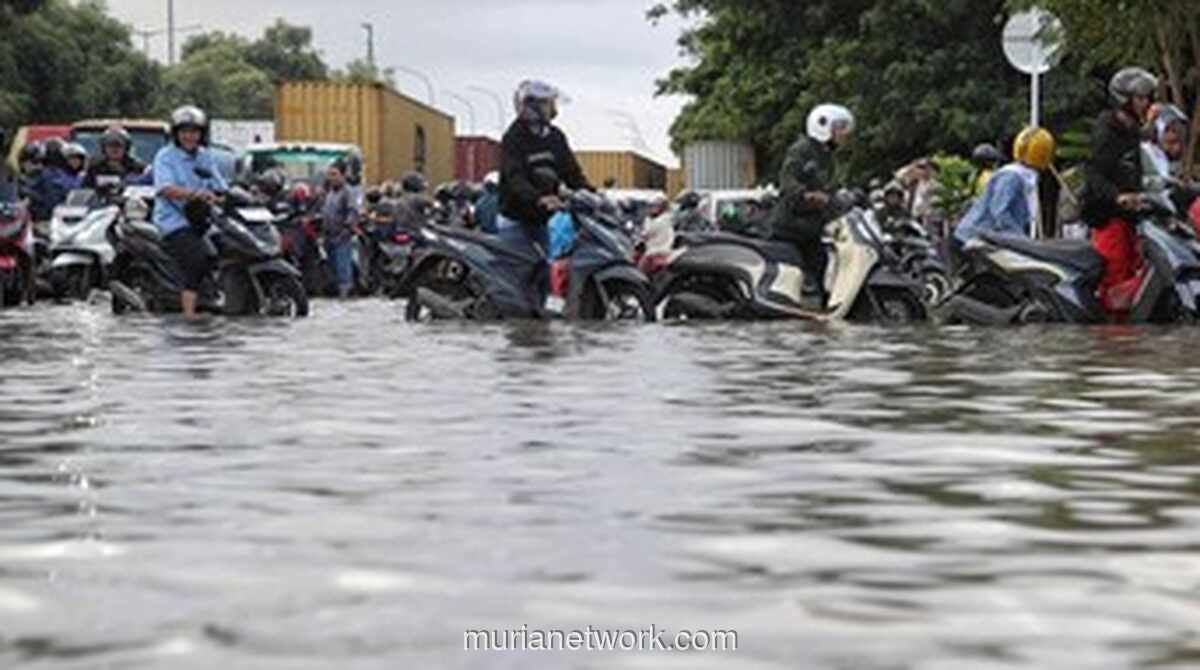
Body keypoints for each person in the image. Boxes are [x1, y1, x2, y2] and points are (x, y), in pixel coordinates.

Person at [498, 79, 591, 303]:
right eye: (548, 104)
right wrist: (540, 198)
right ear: (533, 106)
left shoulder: (555, 137)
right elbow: (515, 179)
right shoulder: (514, 137)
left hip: (541, 221)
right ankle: (512, 322)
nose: (554, 109)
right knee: (521, 279)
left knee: (542, 279)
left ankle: (536, 330)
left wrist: (593, 196)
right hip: (516, 218)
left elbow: (572, 173)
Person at [1083, 67, 1157, 318]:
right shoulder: (1107, 131)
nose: (1145, 103)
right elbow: (1094, 175)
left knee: (1130, 279)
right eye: (1139, 98)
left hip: (1129, 219)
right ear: (1123, 100)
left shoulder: (1131, 131)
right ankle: (1111, 344)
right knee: (1113, 282)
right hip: (1109, 219)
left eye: (1147, 97)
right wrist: (1117, 196)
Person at [769, 103, 855, 307]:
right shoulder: (801, 149)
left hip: (812, 229)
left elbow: (831, 187)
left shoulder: (827, 156)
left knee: (823, 267)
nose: (844, 133)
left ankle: (822, 311)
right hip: (790, 228)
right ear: (823, 125)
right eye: (840, 127)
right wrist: (809, 195)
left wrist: (845, 199)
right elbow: (788, 182)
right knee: (798, 273)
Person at [152, 105, 228, 318]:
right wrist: (195, 194)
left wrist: (232, 195)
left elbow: (220, 185)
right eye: (184, 131)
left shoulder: (205, 156)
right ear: (176, 133)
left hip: (204, 219)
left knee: (228, 246)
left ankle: (215, 293)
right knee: (198, 257)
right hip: (174, 220)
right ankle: (189, 314)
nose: (189, 136)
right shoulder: (165, 156)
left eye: (194, 131)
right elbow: (165, 188)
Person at [951, 127, 1056, 271]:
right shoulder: (1013, 176)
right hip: (974, 240)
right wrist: (1022, 241)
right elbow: (1000, 212)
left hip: (983, 240)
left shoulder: (1021, 175)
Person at [320, 160, 359, 299]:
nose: (331, 177)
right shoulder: (330, 193)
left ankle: (345, 295)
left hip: (342, 236)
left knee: (343, 269)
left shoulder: (347, 192)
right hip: (329, 237)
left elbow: (353, 212)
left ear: (343, 175)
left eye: (335, 174)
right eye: (329, 174)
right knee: (333, 269)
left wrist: (346, 230)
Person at [83, 126, 148, 189]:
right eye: (110, 145)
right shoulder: (94, 166)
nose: (114, 149)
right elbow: (84, 189)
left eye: (118, 145)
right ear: (104, 148)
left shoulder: (137, 167)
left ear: (126, 148)